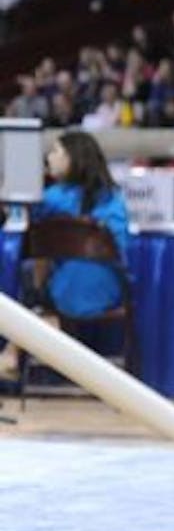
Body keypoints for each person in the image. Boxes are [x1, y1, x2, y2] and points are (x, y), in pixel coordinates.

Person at [0, 131, 129, 379]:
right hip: (110, 291)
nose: (48, 157)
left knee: (32, 272)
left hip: (64, 294)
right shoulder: (115, 198)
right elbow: (123, 249)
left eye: (56, 151)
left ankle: (19, 347)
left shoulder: (50, 199)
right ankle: (39, 334)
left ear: (74, 158)